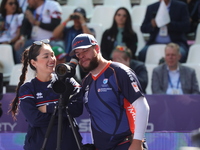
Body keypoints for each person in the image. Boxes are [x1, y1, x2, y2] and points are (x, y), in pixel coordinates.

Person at [69, 33, 150, 150]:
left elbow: (142, 106)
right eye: (78, 54)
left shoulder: (119, 71)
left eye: (85, 51)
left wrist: (137, 142)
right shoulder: (86, 81)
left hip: (126, 144)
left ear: (96, 48)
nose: (81, 56)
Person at [8, 39, 83, 150]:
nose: (52, 59)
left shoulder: (68, 81)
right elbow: (35, 120)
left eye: (52, 55)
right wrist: (64, 113)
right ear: (34, 63)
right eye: (46, 56)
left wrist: (48, 108)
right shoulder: (27, 88)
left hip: (69, 144)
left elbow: (77, 109)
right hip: (39, 145)